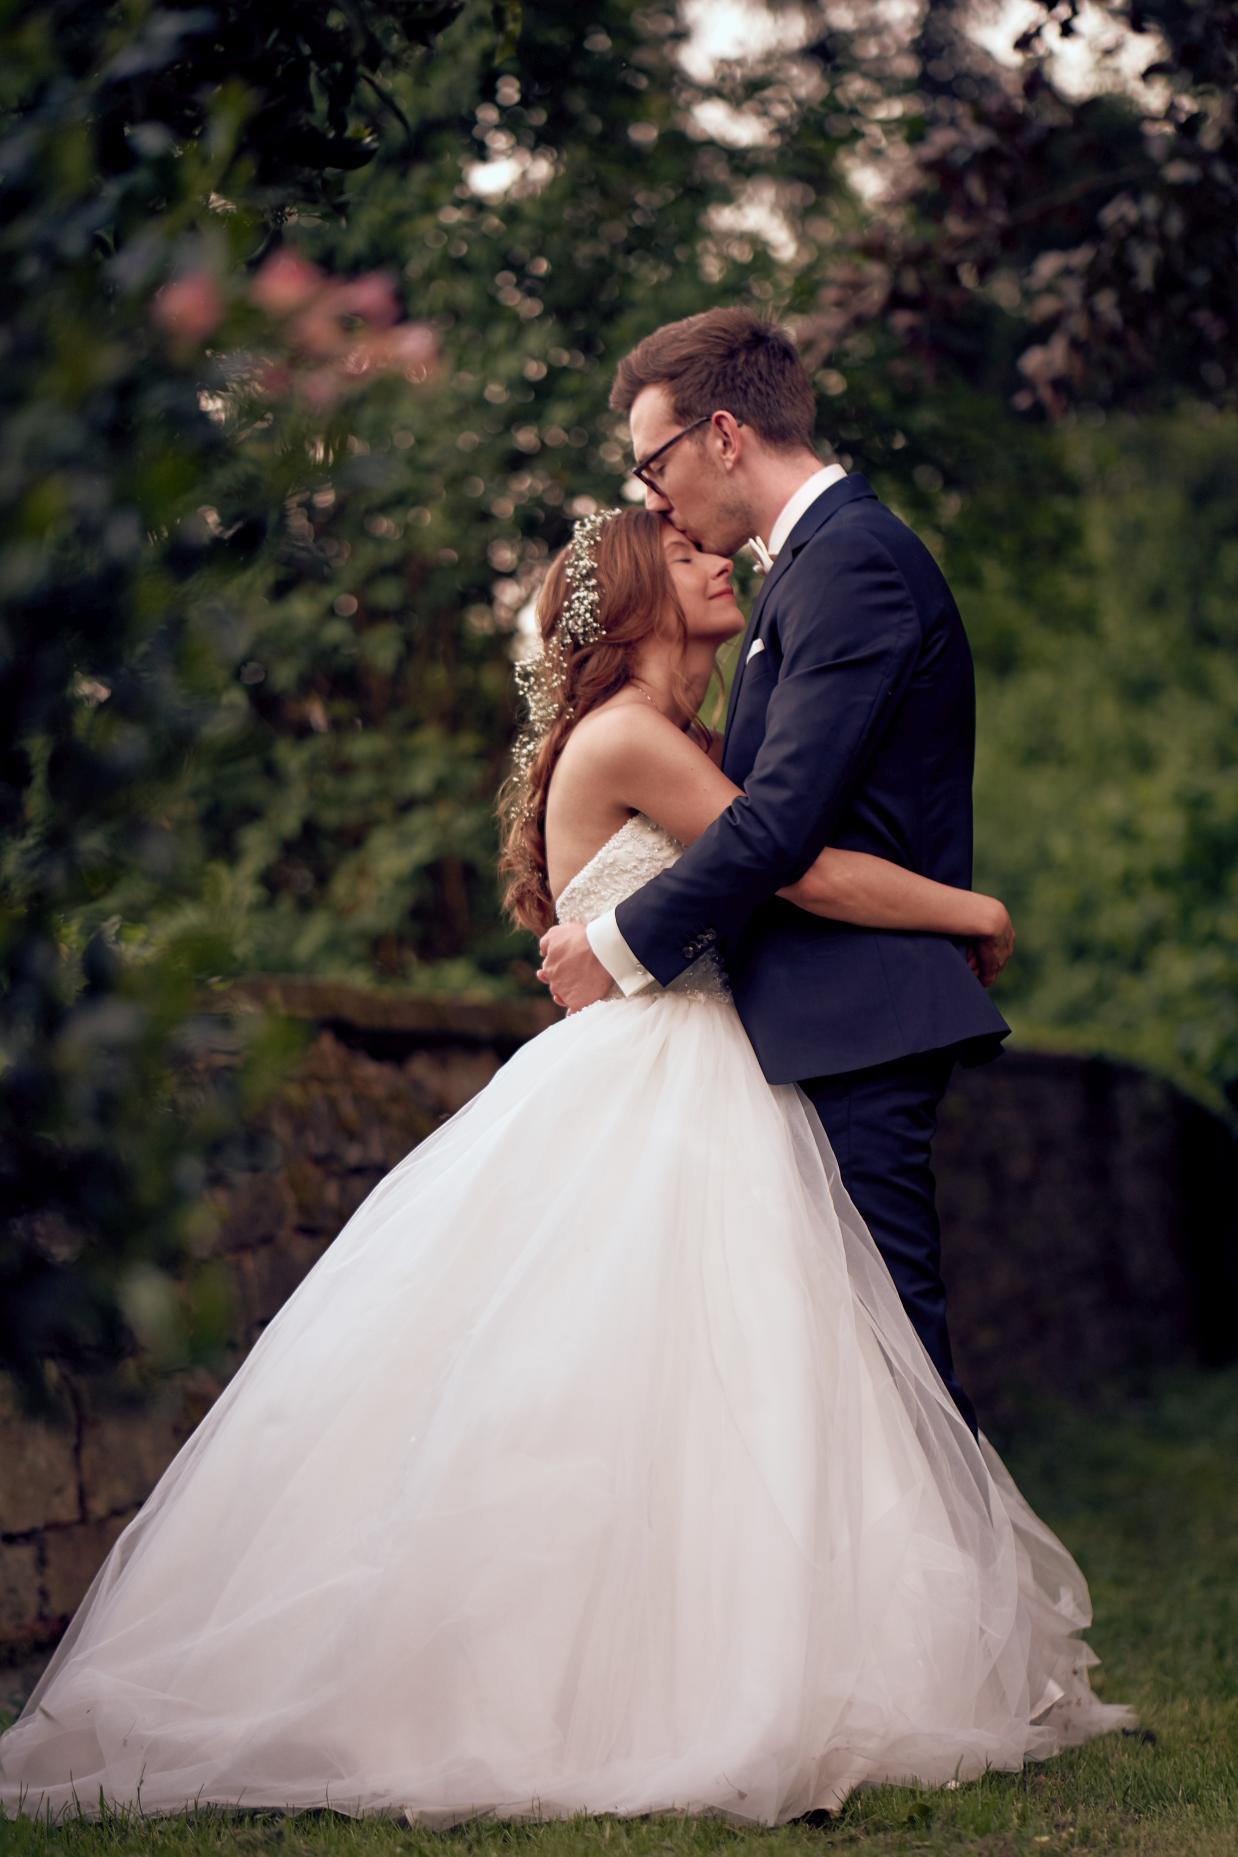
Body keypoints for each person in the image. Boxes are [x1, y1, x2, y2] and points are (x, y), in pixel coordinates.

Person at [0, 507, 1134, 1829]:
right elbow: (801, 869)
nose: (722, 560)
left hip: (708, 1068)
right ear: (642, 600)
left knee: (736, 1399)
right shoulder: (633, 739)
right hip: (655, 1080)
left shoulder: (677, 736)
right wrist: (971, 910)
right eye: (693, 555)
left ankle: (743, 1656)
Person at [539, 308, 1012, 1438]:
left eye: (653, 463)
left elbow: (782, 831)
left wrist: (611, 945)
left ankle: (939, 1612)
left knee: (891, 1372)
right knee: (840, 1376)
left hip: (859, 1015)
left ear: (720, 435)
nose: (651, 498)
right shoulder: (810, 568)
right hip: (815, 1024)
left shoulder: (848, 563)